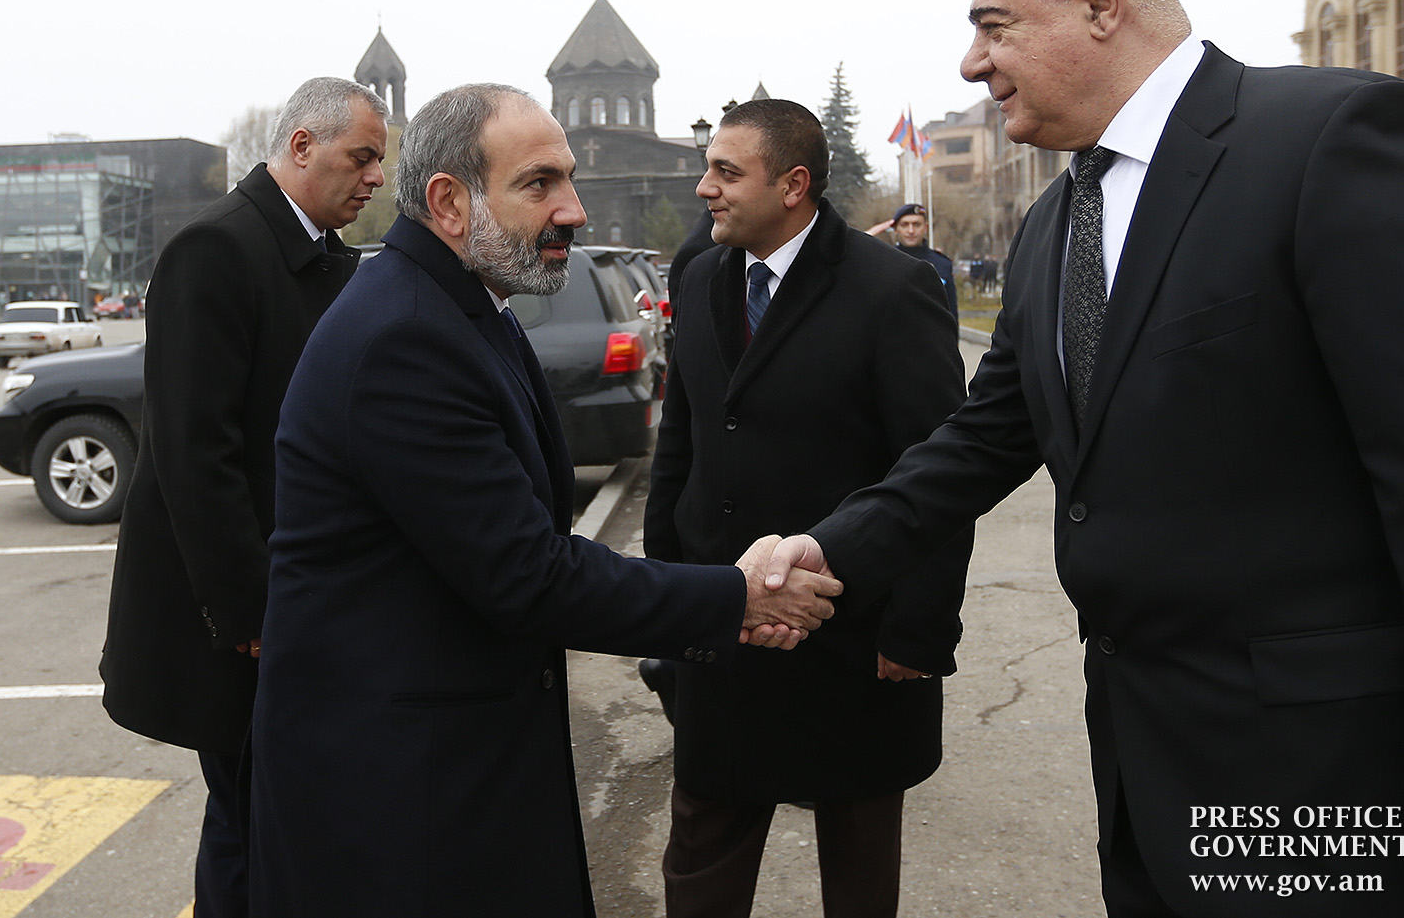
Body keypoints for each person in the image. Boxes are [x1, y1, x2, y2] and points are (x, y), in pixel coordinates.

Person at [757, 0, 1404, 917]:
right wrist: (827, 547)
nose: (971, 64)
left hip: (1335, 785)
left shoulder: (1334, 140)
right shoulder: (1050, 227)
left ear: (1099, 2)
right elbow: (983, 437)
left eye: (992, 27)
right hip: (1146, 780)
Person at [247, 83, 839, 918]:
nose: (574, 210)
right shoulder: (404, 337)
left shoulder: (465, 305)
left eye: (569, 179)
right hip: (400, 803)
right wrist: (738, 597)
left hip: (451, 771)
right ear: (449, 203)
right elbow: (527, 572)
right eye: (540, 184)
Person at [646, 99, 971, 918]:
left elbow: (938, 469)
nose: (705, 187)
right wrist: (666, 599)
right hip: (722, 631)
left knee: (858, 876)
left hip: (850, 641)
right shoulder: (699, 276)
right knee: (700, 864)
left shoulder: (892, 288)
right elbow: (679, 448)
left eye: (726, 171)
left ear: (793, 185)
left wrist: (917, 630)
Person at [98, 77, 388, 917]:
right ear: (301, 146)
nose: (376, 176)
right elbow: (195, 453)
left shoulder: (323, 254)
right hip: (243, 620)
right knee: (250, 819)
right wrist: (251, 611)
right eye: (361, 157)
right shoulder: (216, 249)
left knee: (278, 815)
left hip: (301, 598)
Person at [870, 203, 959, 324]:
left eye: (916, 224)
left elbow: (951, 311)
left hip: (930, 333)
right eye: (904, 225)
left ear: (925, 228)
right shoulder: (884, 261)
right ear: (895, 229)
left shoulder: (942, 263)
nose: (911, 231)